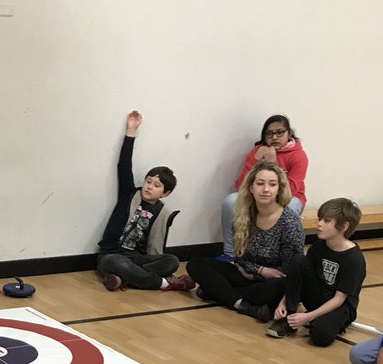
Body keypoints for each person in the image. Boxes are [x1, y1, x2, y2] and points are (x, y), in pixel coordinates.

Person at [187, 160, 305, 322]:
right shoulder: (244, 215)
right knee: (195, 264)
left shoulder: (289, 222)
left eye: (272, 184)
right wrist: (260, 270)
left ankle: (217, 292)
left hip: (273, 282)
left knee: (276, 288)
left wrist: (263, 273)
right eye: (260, 183)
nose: (265, 189)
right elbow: (239, 257)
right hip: (248, 274)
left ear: (279, 189)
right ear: (251, 188)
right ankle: (242, 305)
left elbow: (291, 269)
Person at [95, 111, 194, 292]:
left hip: (137, 258)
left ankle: (123, 278)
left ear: (165, 193)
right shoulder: (129, 194)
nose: (149, 187)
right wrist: (131, 131)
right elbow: (124, 165)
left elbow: (156, 248)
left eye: (156, 185)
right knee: (115, 262)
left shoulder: (162, 212)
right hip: (112, 254)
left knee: (171, 261)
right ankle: (164, 283)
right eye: (148, 181)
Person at [266, 198, 366, 343]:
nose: (319, 224)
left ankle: (318, 320)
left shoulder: (354, 259)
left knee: (320, 336)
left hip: (340, 307)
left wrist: (308, 316)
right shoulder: (318, 247)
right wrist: (284, 303)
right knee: (297, 260)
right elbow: (298, 277)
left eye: (326, 221)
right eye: (320, 219)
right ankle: (288, 318)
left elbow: (339, 299)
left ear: (344, 226)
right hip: (318, 296)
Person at [219, 114, 307, 259]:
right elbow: (241, 186)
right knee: (230, 201)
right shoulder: (258, 151)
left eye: (280, 132)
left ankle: (286, 256)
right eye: (269, 133)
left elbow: (289, 192)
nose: (275, 137)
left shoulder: (299, 155)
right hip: (259, 195)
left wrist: (273, 163)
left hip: (291, 197)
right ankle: (229, 253)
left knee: (290, 208)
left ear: (289, 133)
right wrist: (254, 160)